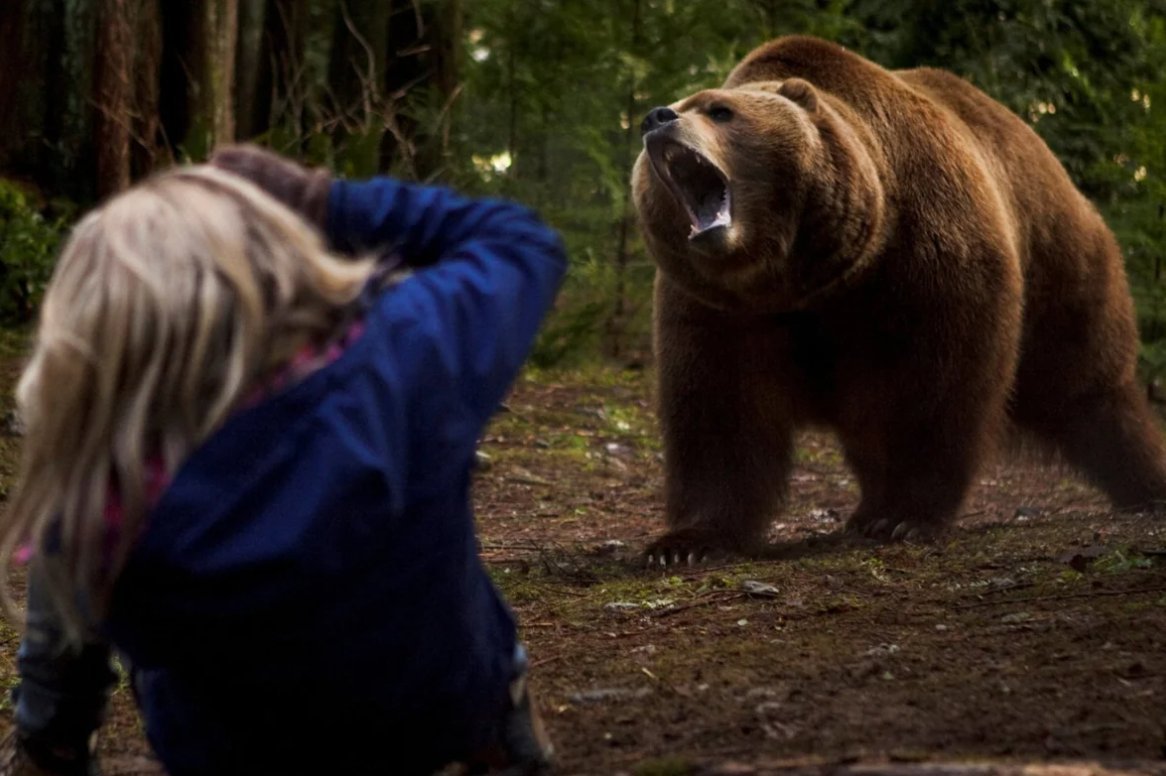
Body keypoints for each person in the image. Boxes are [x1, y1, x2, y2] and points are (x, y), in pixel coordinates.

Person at [0, 146, 566, 775]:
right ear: (278, 266)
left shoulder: (101, 500)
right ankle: (502, 743)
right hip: (441, 722)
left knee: (75, 514)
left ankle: (50, 741)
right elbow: (520, 241)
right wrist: (326, 199)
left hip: (230, 756)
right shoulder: (399, 362)